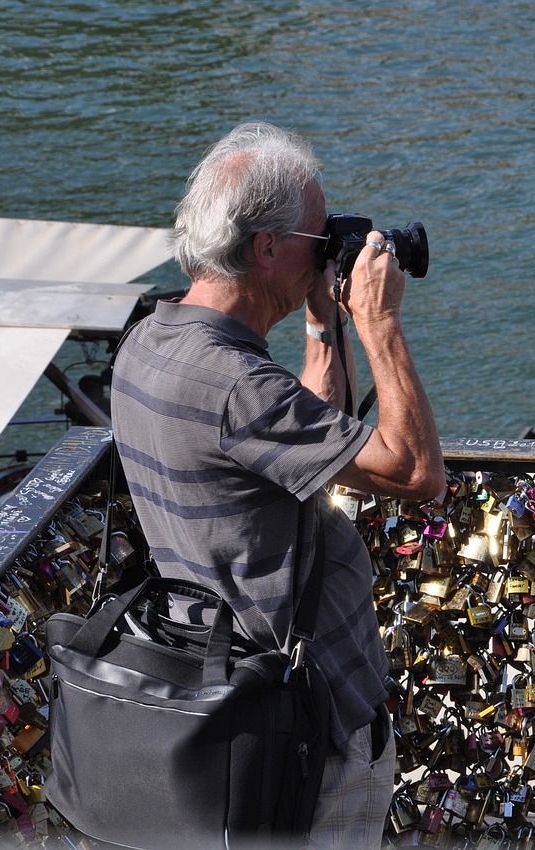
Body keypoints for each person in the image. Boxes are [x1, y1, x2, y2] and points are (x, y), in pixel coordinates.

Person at [110, 120, 445, 848]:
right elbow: (417, 473)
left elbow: (297, 438)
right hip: (306, 724)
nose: (330, 254)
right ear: (266, 248)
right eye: (319, 240)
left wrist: (325, 321)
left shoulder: (151, 341)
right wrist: (379, 323)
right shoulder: (236, 386)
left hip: (224, 695)